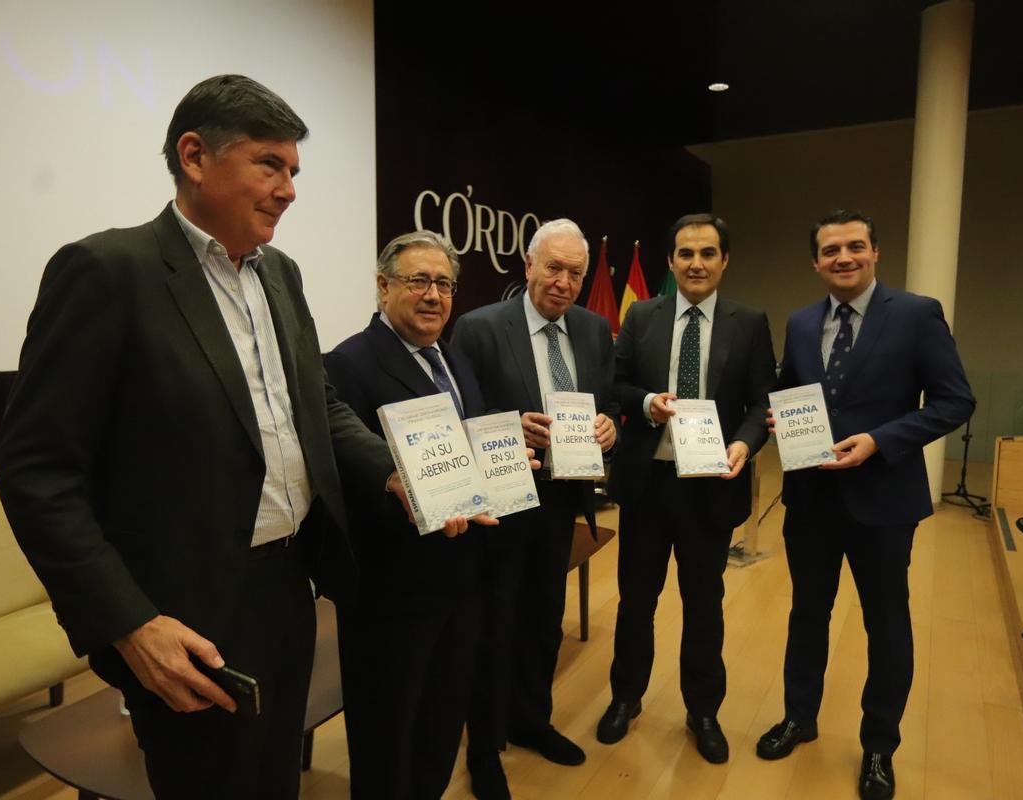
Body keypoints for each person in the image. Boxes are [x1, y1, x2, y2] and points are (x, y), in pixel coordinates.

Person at [0, 75, 420, 800]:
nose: (289, 189)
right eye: (269, 165)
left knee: (272, 779)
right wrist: (130, 624)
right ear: (194, 156)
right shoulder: (106, 272)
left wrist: (392, 470)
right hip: (183, 613)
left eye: (294, 171)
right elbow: (38, 474)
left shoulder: (280, 274)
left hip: (290, 588)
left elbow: (314, 404)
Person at [756, 210, 974, 800]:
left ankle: (880, 746)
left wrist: (882, 440)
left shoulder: (916, 314)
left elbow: (955, 401)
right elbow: (790, 386)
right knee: (807, 615)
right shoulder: (801, 323)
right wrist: (779, 415)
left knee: (886, 625)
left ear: (876, 251)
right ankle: (800, 717)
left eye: (855, 246)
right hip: (810, 500)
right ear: (816, 262)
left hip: (882, 499)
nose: (843, 258)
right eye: (830, 251)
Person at [323, 231, 497, 799]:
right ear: (382, 287)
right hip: (389, 592)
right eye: (417, 280)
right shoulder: (346, 365)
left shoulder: (455, 358)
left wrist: (498, 454)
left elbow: (462, 450)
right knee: (385, 736)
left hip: (460, 577)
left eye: (444, 283)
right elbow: (346, 477)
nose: (433, 295)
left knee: (440, 724)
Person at [595, 213, 775, 763]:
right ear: (671, 262)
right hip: (648, 483)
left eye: (708, 253)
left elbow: (761, 402)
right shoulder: (642, 315)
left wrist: (745, 443)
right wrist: (646, 403)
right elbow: (614, 385)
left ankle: (702, 710)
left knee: (704, 605)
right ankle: (627, 696)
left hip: (710, 488)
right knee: (635, 600)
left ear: (725, 261)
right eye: (685, 254)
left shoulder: (749, 321)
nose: (696, 263)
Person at [452, 218, 617, 799]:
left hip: (563, 499)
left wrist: (609, 430)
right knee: (494, 626)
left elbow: (610, 402)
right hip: (501, 504)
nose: (565, 282)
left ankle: (532, 720)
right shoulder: (477, 328)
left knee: (545, 622)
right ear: (527, 266)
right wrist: (505, 428)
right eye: (554, 267)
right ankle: (485, 746)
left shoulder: (595, 331)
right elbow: (453, 416)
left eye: (576, 272)